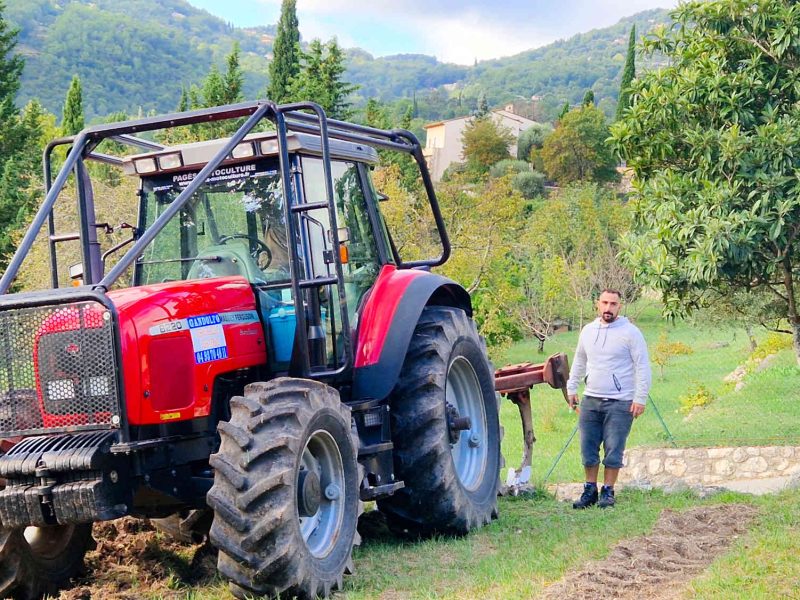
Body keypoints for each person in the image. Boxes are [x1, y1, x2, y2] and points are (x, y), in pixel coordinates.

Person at [566, 288, 651, 509]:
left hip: (620, 401)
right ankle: (590, 489)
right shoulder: (588, 331)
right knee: (588, 448)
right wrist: (571, 386)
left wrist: (639, 398)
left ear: (619, 307)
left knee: (614, 448)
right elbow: (579, 360)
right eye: (604, 303)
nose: (608, 308)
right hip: (591, 399)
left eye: (613, 304)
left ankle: (608, 491)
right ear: (597, 304)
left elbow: (642, 366)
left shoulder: (631, 332)